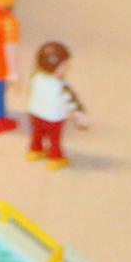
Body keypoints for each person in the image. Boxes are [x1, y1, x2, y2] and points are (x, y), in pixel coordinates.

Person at [20, 38, 87, 166]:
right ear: (58, 67)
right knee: (54, 140)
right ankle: (55, 158)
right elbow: (72, 104)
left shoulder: (35, 77)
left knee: (37, 134)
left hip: (35, 113)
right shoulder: (61, 86)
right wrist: (80, 117)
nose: (68, 67)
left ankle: (35, 150)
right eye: (65, 65)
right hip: (54, 119)